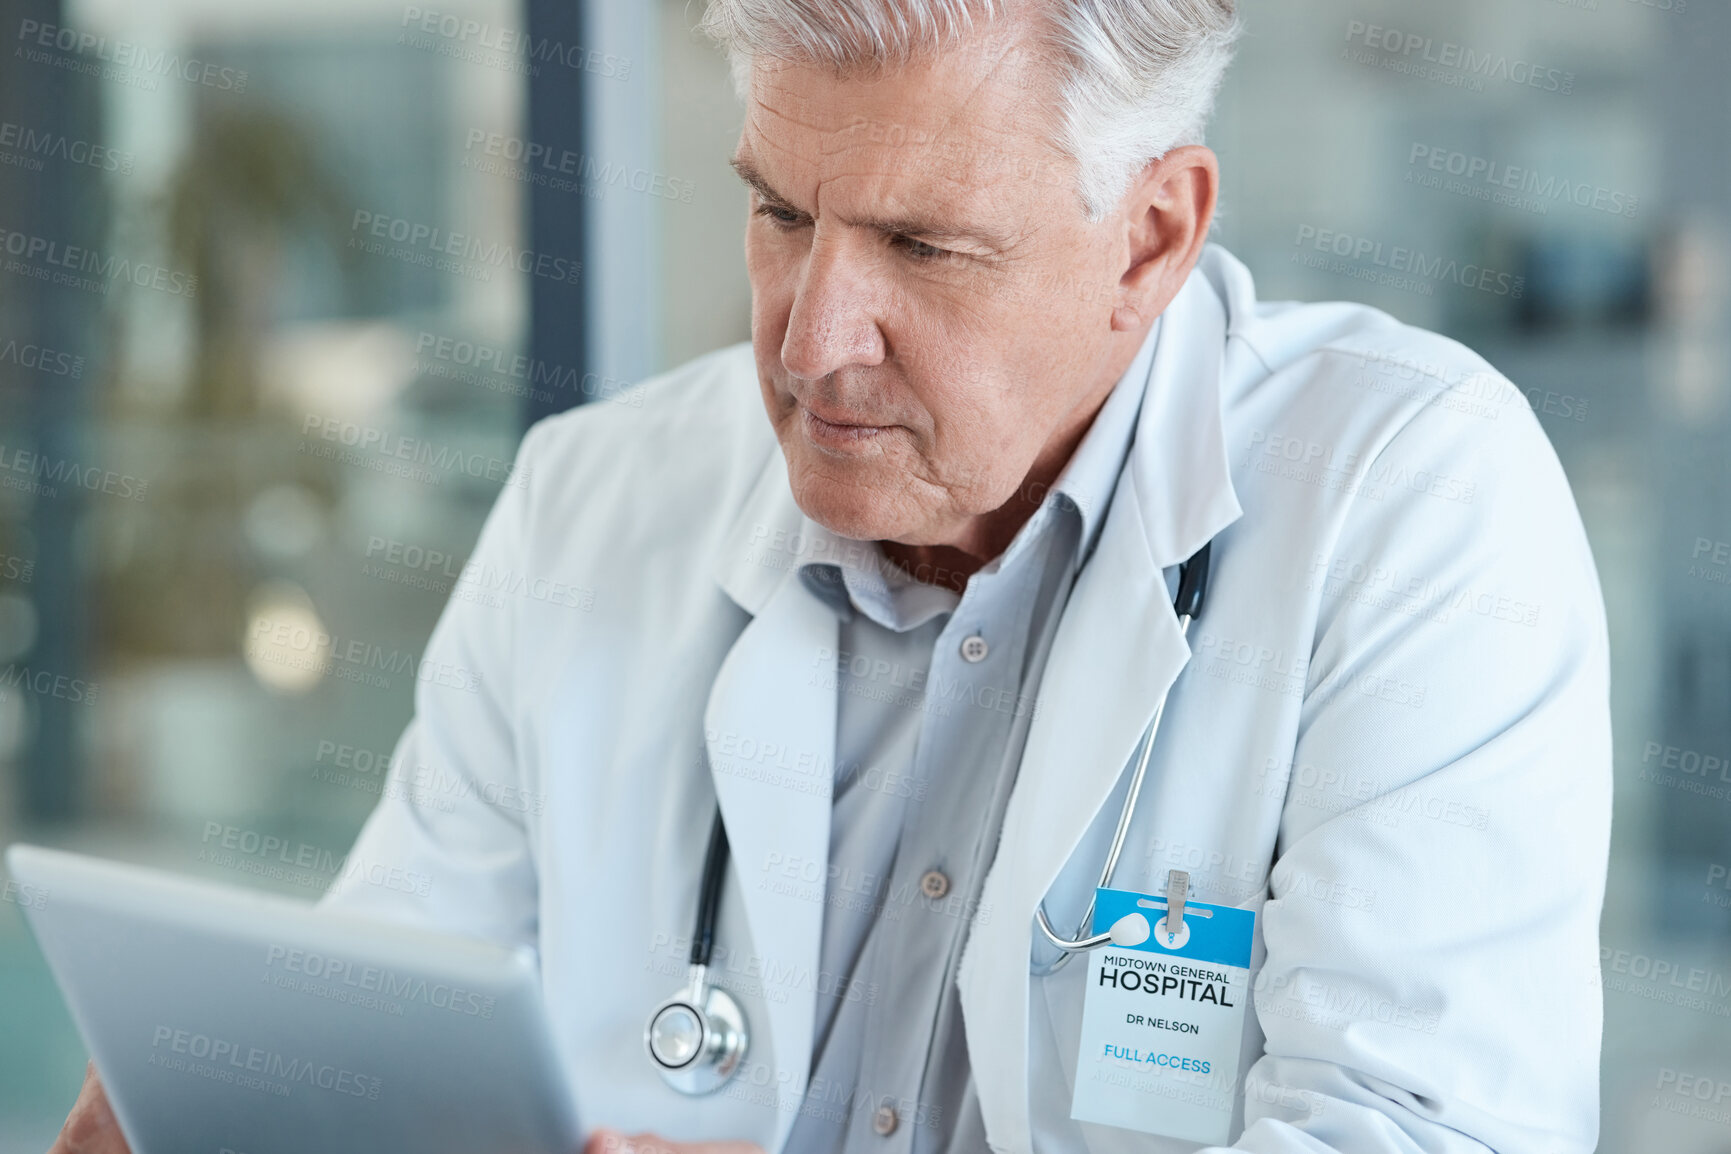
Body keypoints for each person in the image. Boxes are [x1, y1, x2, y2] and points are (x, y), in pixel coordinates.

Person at [51, 1, 1612, 1152]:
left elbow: (1417, 1132)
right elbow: (384, 1039)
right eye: (780, 214)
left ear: (1150, 239)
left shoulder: (1406, 502)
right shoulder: (591, 503)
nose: (808, 342)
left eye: (924, 249)